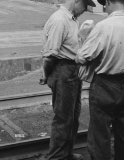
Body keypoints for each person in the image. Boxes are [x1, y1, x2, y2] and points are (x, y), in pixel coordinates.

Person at [75, 0, 124, 159]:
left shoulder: (103, 26)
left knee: (100, 136)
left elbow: (82, 57)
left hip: (104, 85)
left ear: (108, 1)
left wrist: (83, 38)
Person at [39, 0, 96, 159]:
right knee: (63, 118)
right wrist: (46, 74)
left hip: (72, 70)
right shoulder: (60, 20)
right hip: (63, 69)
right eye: (84, 6)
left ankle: (67, 154)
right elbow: (50, 55)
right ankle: (57, 157)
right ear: (77, 1)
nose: (84, 10)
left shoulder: (71, 19)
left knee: (72, 116)